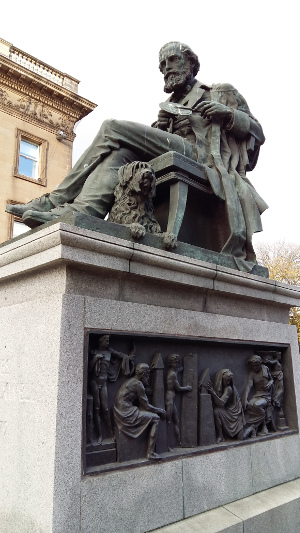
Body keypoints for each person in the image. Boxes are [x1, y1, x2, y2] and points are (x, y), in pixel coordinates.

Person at [6, 41, 267, 263]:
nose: (166, 68)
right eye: (162, 65)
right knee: (119, 156)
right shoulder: (171, 105)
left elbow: (257, 131)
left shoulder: (219, 92)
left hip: (203, 158)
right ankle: (82, 211)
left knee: (112, 128)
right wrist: (162, 126)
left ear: (190, 64)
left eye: (172, 60)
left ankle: (56, 199)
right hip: (174, 151)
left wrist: (228, 114)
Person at [114, 363, 166, 460]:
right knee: (156, 418)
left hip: (119, 410)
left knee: (144, 411)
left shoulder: (130, 381)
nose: (148, 377)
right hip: (126, 413)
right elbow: (145, 405)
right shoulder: (138, 384)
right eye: (147, 375)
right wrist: (160, 410)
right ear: (144, 374)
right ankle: (150, 453)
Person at [88, 334, 135, 444]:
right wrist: (96, 358)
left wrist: (130, 356)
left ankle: (110, 433)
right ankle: (99, 435)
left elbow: (122, 356)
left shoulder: (109, 352)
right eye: (106, 341)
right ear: (101, 341)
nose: (108, 343)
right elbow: (89, 369)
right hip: (95, 381)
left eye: (109, 341)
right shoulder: (93, 352)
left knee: (105, 408)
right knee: (97, 408)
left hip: (104, 382)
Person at [207, 369, 254, 443]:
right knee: (216, 411)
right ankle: (220, 436)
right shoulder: (219, 386)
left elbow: (221, 403)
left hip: (234, 414)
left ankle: (251, 428)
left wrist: (212, 392)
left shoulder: (229, 388)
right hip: (226, 410)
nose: (228, 382)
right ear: (220, 379)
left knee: (241, 437)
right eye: (226, 380)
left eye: (229, 380)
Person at [242, 355, 274, 436]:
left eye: (256, 365)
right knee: (249, 405)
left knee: (256, 405)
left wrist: (270, 382)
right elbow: (249, 386)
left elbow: (271, 379)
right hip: (257, 395)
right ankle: (263, 427)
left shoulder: (265, 368)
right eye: (253, 366)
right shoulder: (252, 373)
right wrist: (245, 399)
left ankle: (252, 427)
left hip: (266, 396)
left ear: (260, 363)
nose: (255, 367)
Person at [165, 353, 192, 448]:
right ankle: (166, 445)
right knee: (168, 422)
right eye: (174, 362)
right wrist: (188, 388)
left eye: (177, 362)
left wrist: (188, 361)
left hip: (172, 398)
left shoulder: (173, 371)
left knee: (176, 420)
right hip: (169, 399)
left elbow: (178, 370)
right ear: (170, 363)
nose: (176, 364)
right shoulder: (171, 374)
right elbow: (178, 388)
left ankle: (179, 443)